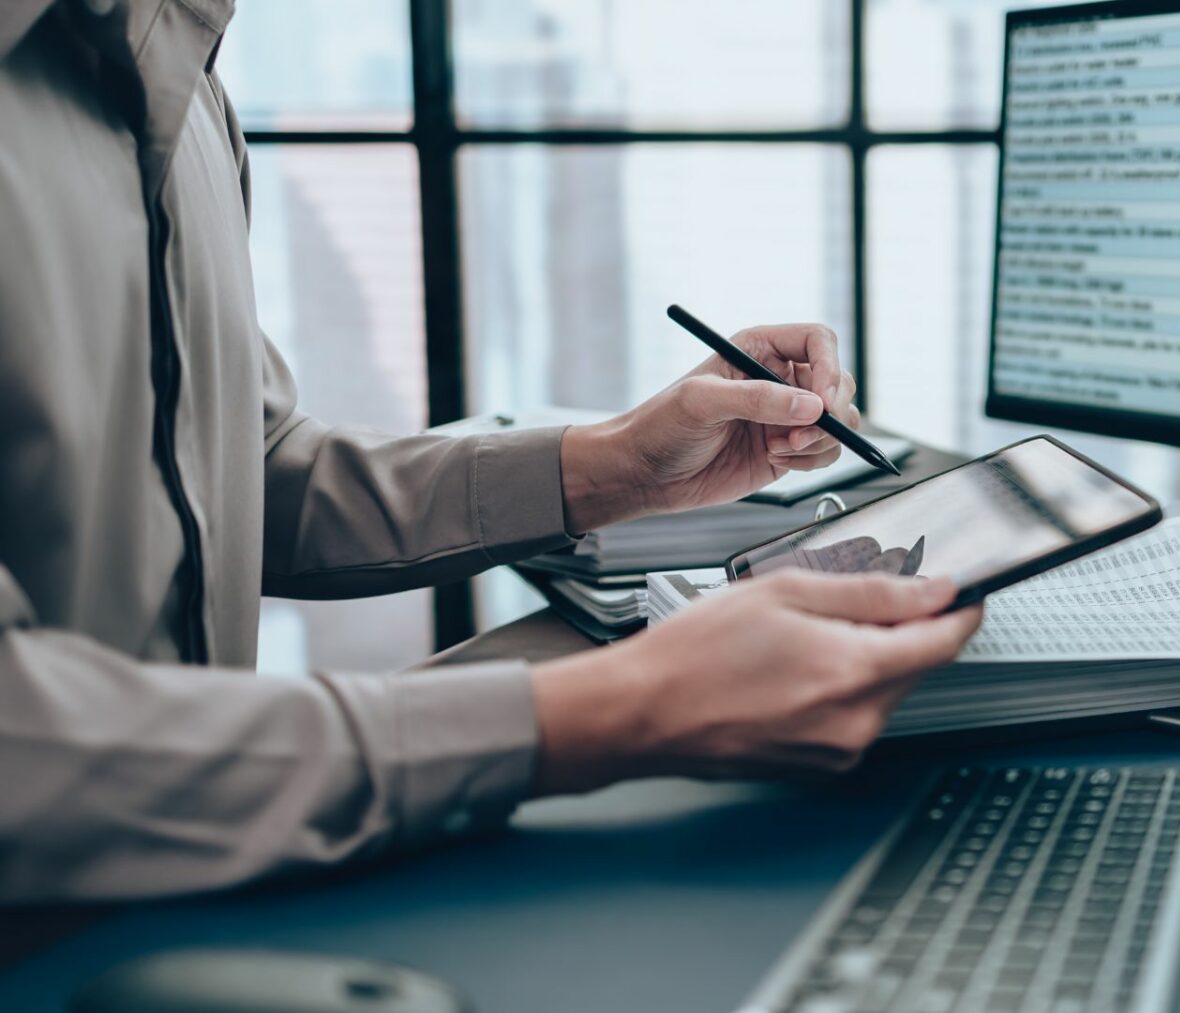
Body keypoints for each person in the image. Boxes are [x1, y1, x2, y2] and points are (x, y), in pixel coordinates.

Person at [0, 0, 982, 903]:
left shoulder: (173, 66)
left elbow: (236, 473)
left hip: (203, 880)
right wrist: (612, 708)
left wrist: (621, 463)